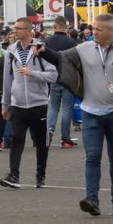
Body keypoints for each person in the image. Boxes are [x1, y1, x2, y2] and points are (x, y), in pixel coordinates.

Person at [46, 13, 113, 216]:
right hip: (90, 112)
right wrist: (43, 51)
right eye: (93, 29)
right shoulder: (84, 48)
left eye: (98, 29)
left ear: (110, 30)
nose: (93, 32)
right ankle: (92, 199)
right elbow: (61, 59)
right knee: (92, 156)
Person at [0, 18, 57, 189]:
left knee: (41, 142)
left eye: (19, 28)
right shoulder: (10, 52)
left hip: (38, 103)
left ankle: (41, 174)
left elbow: (53, 75)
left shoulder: (41, 50)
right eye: (14, 28)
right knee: (17, 138)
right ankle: (13, 175)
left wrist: (33, 73)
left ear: (29, 31)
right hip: (18, 104)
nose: (15, 31)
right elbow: (7, 79)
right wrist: (5, 103)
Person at [45, 16, 78, 148]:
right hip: (68, 78)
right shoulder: (71, 43)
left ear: (54, 26)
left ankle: (50, 129)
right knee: (67, 109)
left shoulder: (47, 41)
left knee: (53, 107)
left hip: (53, 77)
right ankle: (65, 138)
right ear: (66, 27)